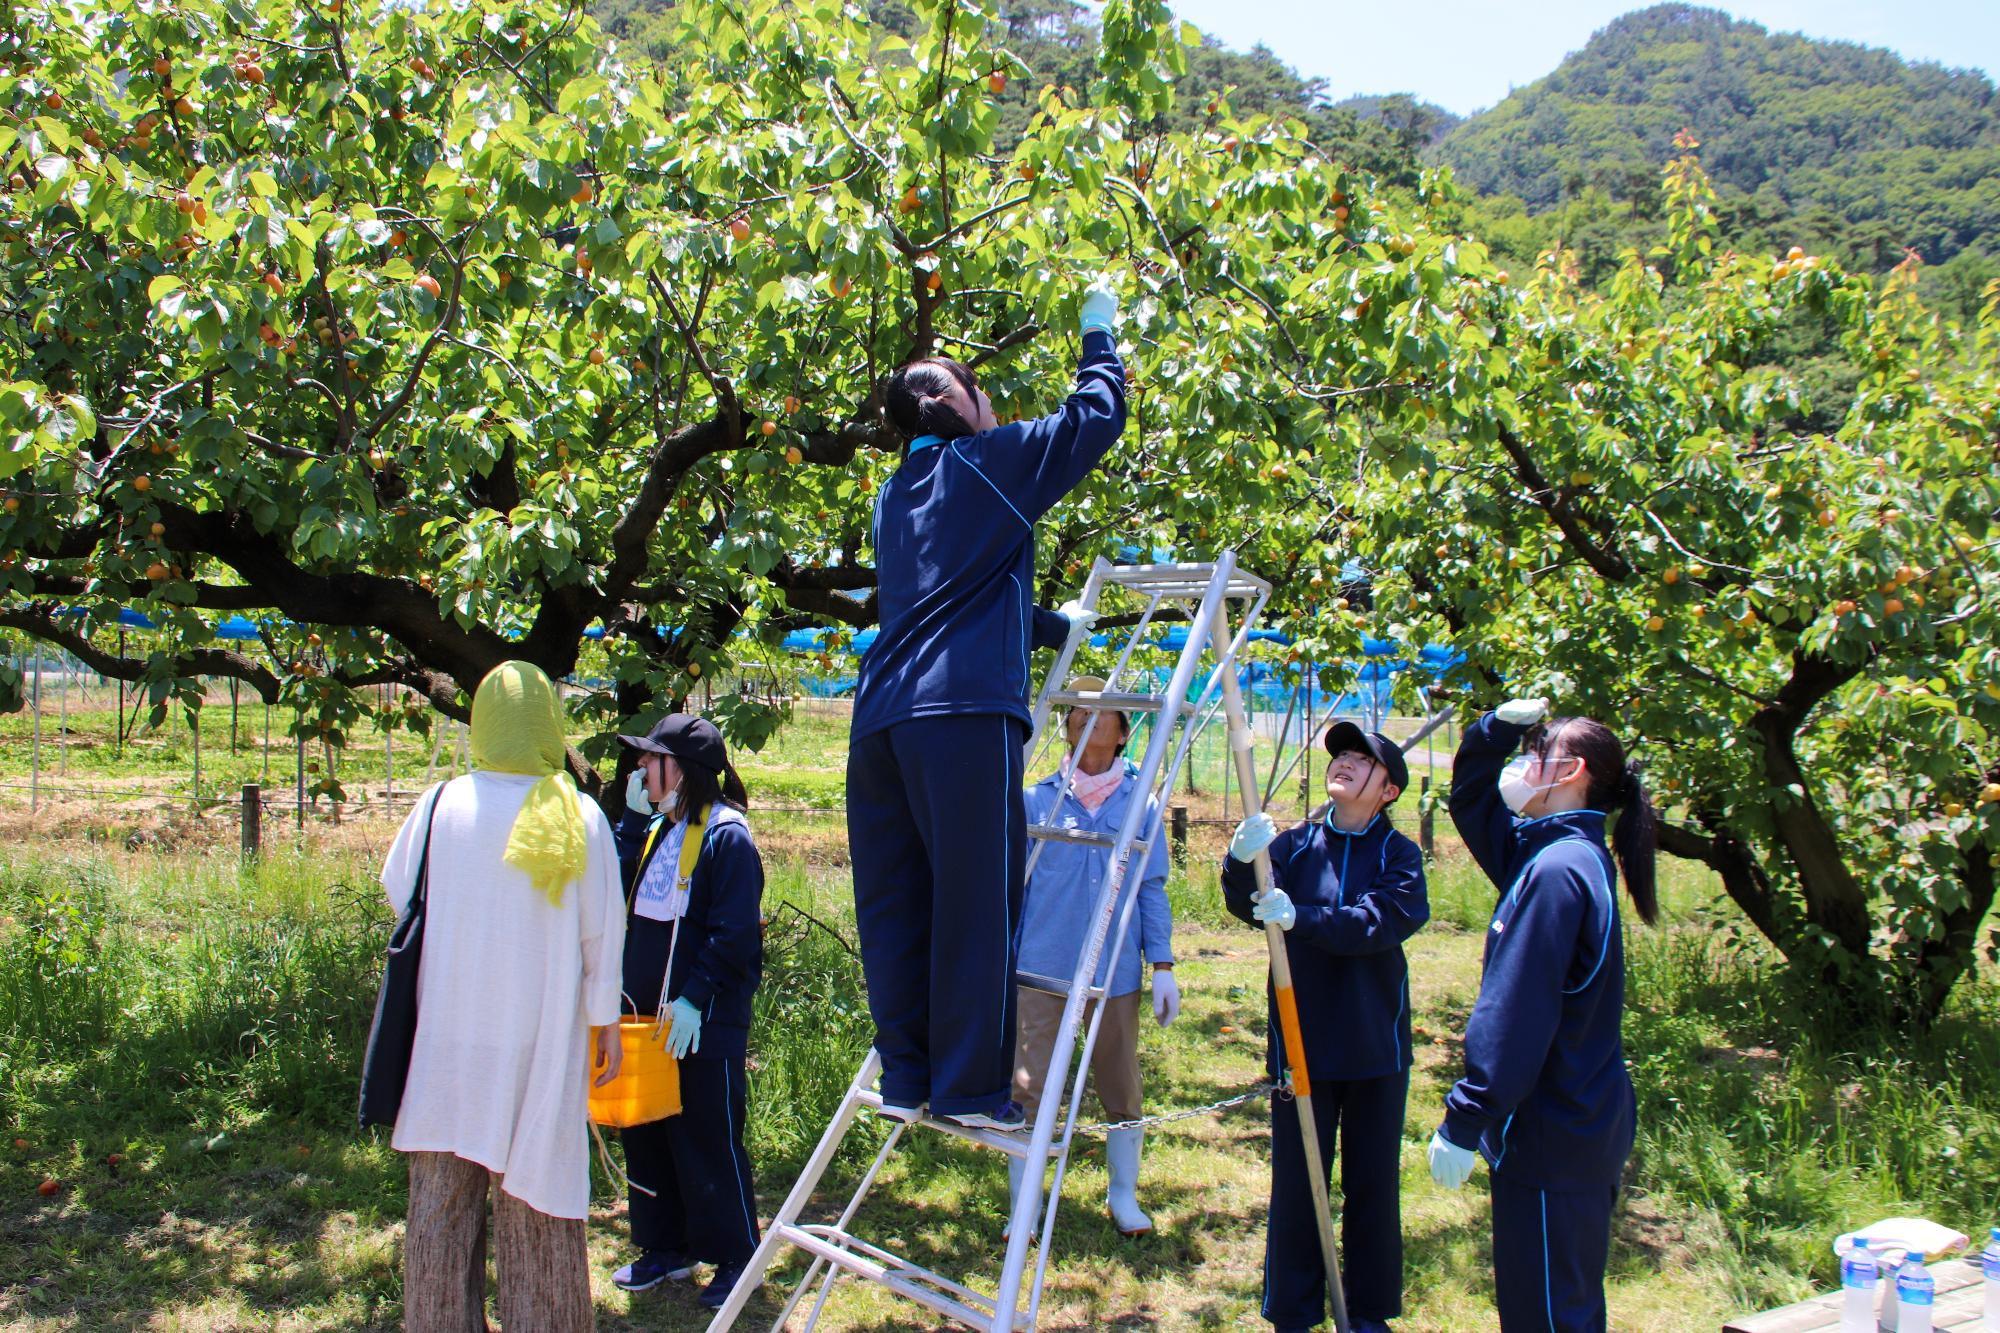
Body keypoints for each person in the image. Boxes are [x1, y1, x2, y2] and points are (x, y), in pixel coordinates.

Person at [845, 275, 1127, 1129]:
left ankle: (908, 1077)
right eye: (979, 385)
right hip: (961, 716)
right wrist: (1097, 336)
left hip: (883, 719)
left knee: (898, 900)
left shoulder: (894, 496)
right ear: (944, 402)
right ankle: (970, 1088)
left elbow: (945, 591)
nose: (993, 399)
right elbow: (1094, 420)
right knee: (974, 902)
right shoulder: (988, 462)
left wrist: (1043, 623)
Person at [379, 661, 625, 1333]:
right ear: (549, 721)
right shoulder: (578, 813)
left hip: (449, 1041)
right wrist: (605, 1023)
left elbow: (400, 891)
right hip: (539, 1043)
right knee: (539, 1208)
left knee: (439, 1208)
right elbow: (602, 932)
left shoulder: (439, 804)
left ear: (483, 720)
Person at [1426, 697, 1660, 1333]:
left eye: (1535, 754)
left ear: (1570, 770)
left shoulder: (1557, 872)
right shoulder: (1554, 853)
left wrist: (1466, 1115)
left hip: (1555, 1132)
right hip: (1568, 1124)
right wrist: (1490, 731)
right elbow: (1472, 801)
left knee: (1551, 1318)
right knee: (1553, 1308)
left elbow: (1518, 1010)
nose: (1523, 766)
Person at [1223, 722, 1430, 1333]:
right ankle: (1292, 1307)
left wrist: (1302, 918)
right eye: (1340, 753)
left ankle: (1368, 1310)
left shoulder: (1400, 855)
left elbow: (1380, 922)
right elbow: (1248, 904)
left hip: (1374, 1047)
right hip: (1300, 1038)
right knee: (1297, 1182)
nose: (1343, 762)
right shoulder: (1293, 845)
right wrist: (1240, 864)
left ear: (1388, 790)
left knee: (1372, 1181)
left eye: (1362, 760)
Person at [607, 714, 765, 1312]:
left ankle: (736, 1255)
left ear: (684, 770)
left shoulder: (727, 836)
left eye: (652, 760)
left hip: (702, 1023)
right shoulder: (656, 832)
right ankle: (664, 1247)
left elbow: (733, 935)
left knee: (707, 1137)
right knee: (647, 1133)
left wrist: (696, 997)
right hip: (646, 1022)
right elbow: (615, 890)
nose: (641, 769)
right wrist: (628, 824)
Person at [1009, 677, 1178, 1235]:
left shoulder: (1142, 805)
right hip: (1042, 965)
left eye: (1101, 710)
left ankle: (1123, 1194)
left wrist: (1163, 966)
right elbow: (1014, 889)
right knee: (1029, 1085)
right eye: (1077, 708)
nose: (1085, 715)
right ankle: (1024, 1204)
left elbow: (1151, 889)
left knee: (1119, 1080)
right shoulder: (1036, 798)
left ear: (1124, 732)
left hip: (1115, 970)